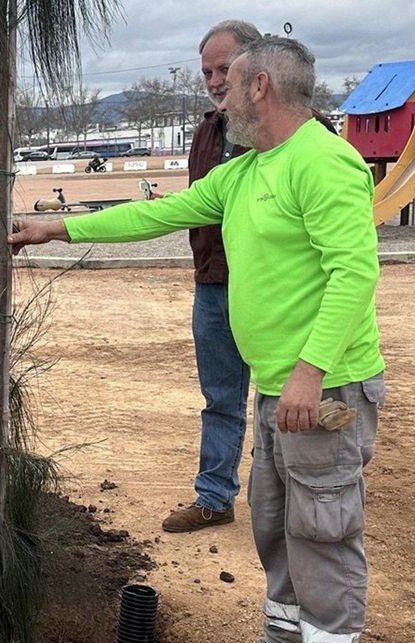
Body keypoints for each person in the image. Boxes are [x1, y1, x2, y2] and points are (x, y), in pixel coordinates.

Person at [10, 36, 384, 643]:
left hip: (323, 389)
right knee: (273, 523)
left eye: (229, 83)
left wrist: (309, 369)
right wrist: (60, 226)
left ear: (259, 87)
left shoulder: (322, 162)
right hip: (276, 385)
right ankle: (287, 641)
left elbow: (354, 272)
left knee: (323, 529)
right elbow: (160, 215)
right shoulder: (243, 172)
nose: (220, 98)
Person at [155, 19, 262, 533]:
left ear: (256, 68)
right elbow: (191, 208)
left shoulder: (290, 134)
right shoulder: (206, 132)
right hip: (214, 286)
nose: (216, 80)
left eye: (225, 68)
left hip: (268, 289)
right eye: (207, 72)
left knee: (283, 398)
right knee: (221, 397)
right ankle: (215, 498)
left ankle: (283, 501)